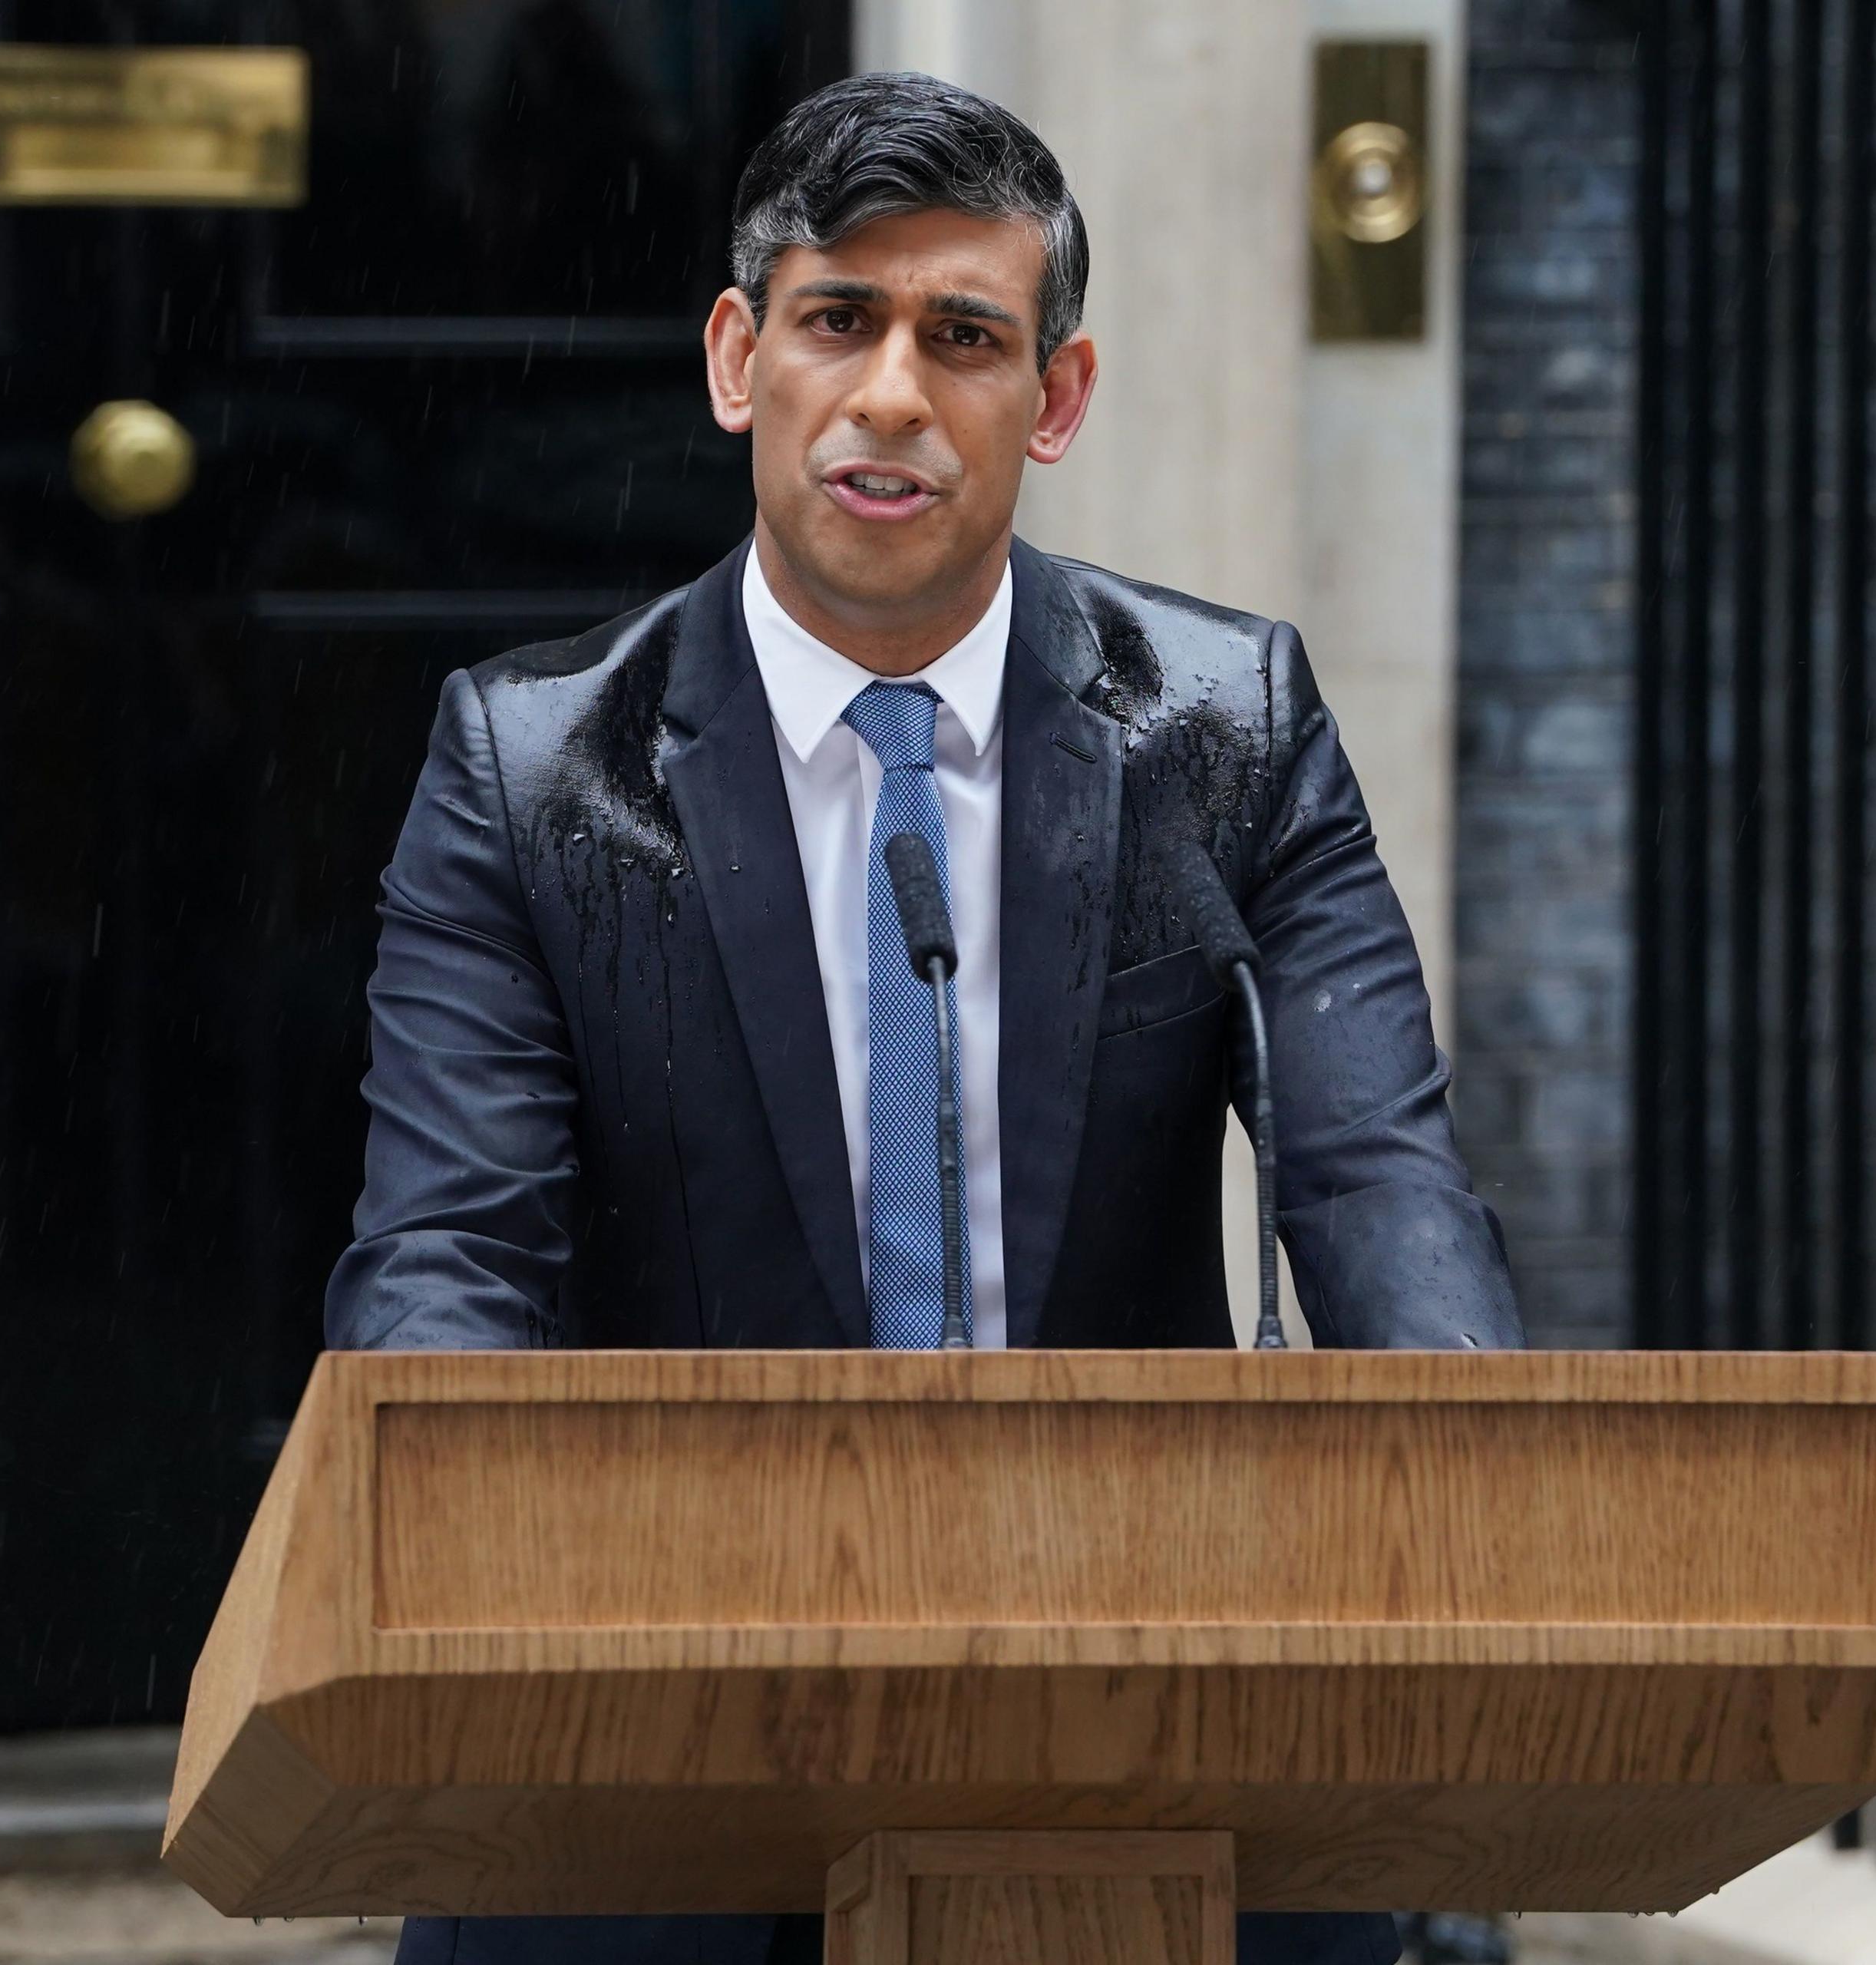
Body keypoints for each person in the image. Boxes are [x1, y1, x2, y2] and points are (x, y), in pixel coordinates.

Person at [329, 70, 1521, 1965]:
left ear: (1052, 400)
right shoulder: (532, 771)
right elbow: (451, 1253)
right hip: (662, 1734)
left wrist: (1485, 1519)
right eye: (836, 321)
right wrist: (437, 1571)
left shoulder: (1230, 733)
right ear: (740, 359)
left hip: (1147, 1726)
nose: (890, 391)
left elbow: (1380, 1184)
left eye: (962, 335)